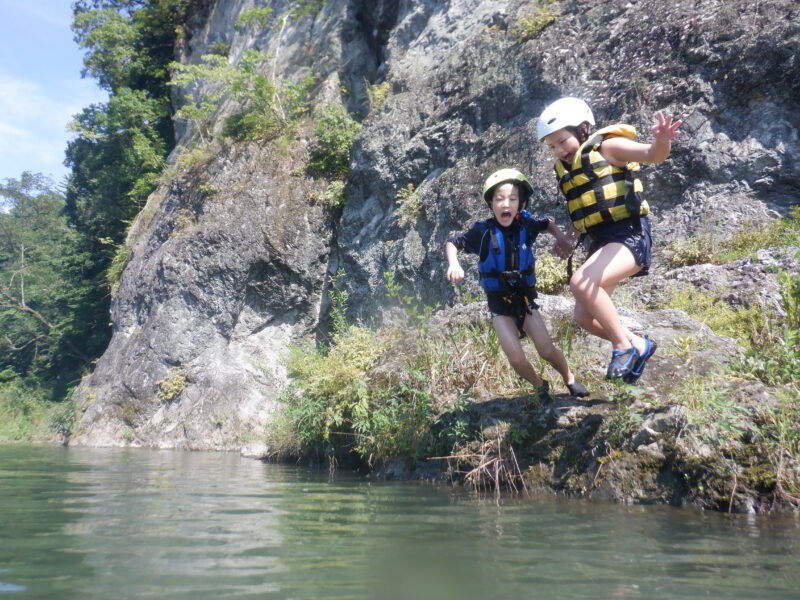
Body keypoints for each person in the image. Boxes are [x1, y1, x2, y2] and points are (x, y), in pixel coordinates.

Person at [537, 97, 682, 382]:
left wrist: (662, 140)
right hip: (601, 242)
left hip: (630, 234)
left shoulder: (607, 147)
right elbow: (589, 206)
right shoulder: (570, 169)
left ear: (583, 129)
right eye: (552, 146)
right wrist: (569, 237)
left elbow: (653, 155)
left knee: (581, 282)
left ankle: (622, 346)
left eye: (562, 141)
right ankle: (639, 344)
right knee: (583, 316)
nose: (558, 150)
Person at [445, 168, 589, 400]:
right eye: (499, 199)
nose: (506, 204)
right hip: (499, 305)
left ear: (520, 203)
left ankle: (570, 379)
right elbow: (453, 243)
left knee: (546, 349)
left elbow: (547, 224)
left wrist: (561, 237)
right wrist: (454, 264)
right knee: (516, 358)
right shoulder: (482, 231)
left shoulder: (526, 225)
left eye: (512, 199)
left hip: (524, 299)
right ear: (491, 203)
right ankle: (539, 385)